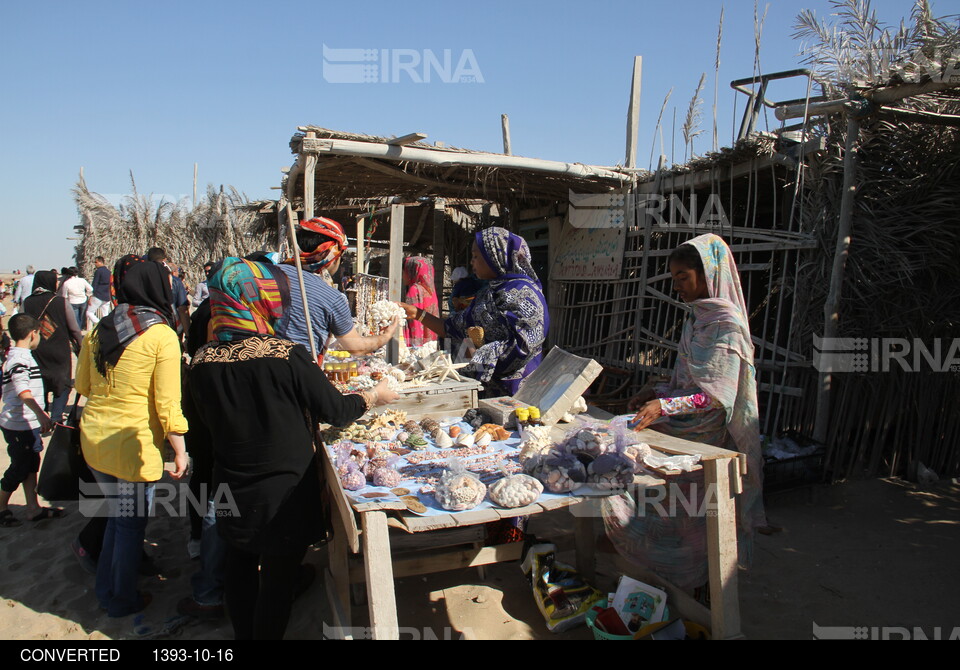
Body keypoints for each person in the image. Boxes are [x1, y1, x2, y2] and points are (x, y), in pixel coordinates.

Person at [187, 256, 398, 639]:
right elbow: (335, 410)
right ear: (261, 298)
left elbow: (200, 430)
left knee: (239, 563)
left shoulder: (201, 361)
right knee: (279, 576)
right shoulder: (285, 355)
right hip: (282, 489)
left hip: (230, 483)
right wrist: (373, 395)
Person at [602, 234, 770, 593]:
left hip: (705, 435)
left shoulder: (727, 326)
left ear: (708, 276)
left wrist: (665, 406)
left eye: (683, 277)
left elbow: (713, 396)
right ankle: (661, 573)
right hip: (680, 423)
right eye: (674, 278)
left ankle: (697, 581)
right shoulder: (695, 319)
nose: (677, 286)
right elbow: (686, 379)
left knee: (691, 513)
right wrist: (657, 390)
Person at [75, 258, 188, 617]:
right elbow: (168, 403)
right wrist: (180, 451)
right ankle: (119, 598)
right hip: (131, 445)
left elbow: (81, 386)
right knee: (128, 525)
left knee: (117, 518)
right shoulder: (160, 334)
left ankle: (108, 589)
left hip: (94, 439)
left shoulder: (98, 330)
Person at [399, 226, 549, 397]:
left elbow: (524, 344)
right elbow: (454, 327)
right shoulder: (490, 291)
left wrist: (479, 354)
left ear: (494, 257)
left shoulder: (522, 293)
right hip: (485, 388)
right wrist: (416, 313)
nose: (472, 262)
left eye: (476, 256)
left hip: (516, 391)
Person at [276, 217, 398, 361]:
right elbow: (357, 348)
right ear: (331, 254)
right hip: (294, 373)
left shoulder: (270, 272)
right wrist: (386, 336)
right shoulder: (332, 297)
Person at [0, 314, 62, 527]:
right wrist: (40, 413)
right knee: (19, 467)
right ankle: (1, 507)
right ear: (32, 333)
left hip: (25, 423)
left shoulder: (18, 355)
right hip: (19, 424)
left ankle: (33, 508)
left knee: (30, 465)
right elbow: (22, 390)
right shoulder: (20, 359)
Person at [22, 271, 83, 425]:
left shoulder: (27, 302)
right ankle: (56, 417)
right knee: (62, 384)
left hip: (36, 350)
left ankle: (42, 415)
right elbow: (74, 328)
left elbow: (22, 324)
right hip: (59, 350)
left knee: (39, 381)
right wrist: (80, 345)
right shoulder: (61, 302)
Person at [402, 257, 439, 348]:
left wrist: (415, 347)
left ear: (412, 271)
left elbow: (414, 323)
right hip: (431, 344)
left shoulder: (414, 290)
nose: (402, 276)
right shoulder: (430, 292)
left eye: (404, 272)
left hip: (418, 344)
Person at [87, 256, 113, 327]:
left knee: (89, 312)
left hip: (98, 295)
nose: (95, 264)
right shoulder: (108, 272)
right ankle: (107, 327)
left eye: (96, 262)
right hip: (107, 295)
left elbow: (95, 284)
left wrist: (91, 296)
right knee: (105, 314)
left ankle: (99, 324)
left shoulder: (98, 271)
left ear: (101, 262)